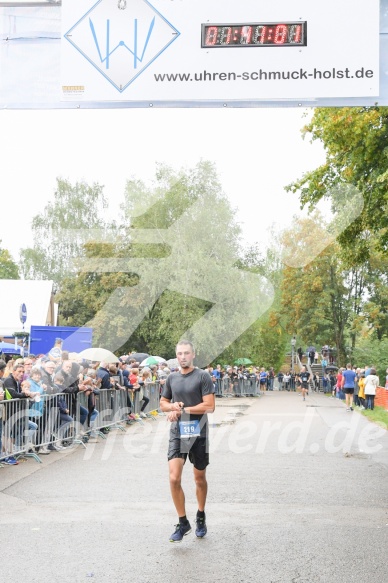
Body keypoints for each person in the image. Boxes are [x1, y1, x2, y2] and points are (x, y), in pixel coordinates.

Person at [159, 340, 215, 543]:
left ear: (193, 355)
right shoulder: (171, 378)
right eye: (179, 353)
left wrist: (183, 410)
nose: (183, 357)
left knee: (199, 478)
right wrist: (173, 407)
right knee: (174, 478)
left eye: (186, 353)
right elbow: (163, 403)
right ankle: (183, 522)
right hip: (177, 432)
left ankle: (200, 515)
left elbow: (209, 406)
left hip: (198, 431)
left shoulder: (202, 376)